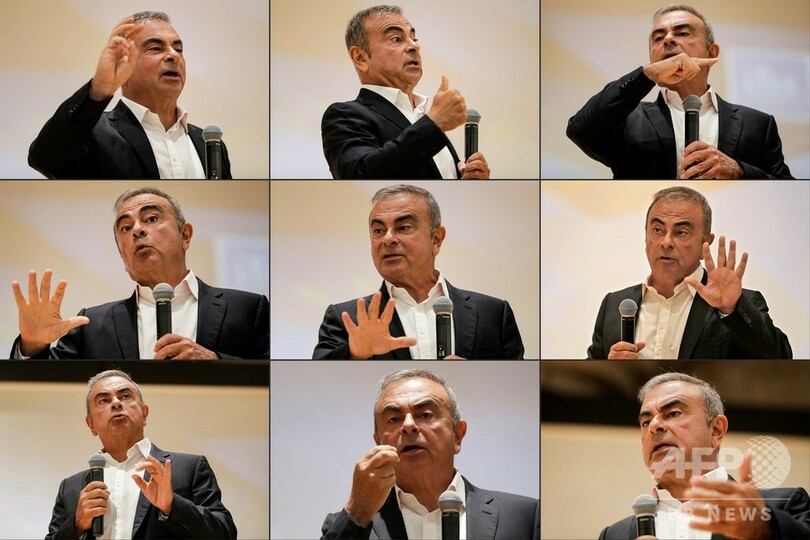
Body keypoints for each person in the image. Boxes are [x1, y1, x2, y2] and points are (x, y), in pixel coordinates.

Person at [10, 186, 268, 359]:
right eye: (125, 227)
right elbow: (47, 385)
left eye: (151, 219)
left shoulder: (247, 308)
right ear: (122, 256)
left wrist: (215, 360)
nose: (137, 230)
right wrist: (32, 345)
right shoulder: (91, 325)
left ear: (185, 235)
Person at [566, 4, 793, 179]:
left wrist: (740, 171)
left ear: (711, 52)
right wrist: (646, 75)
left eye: (682, 33)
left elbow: (789, 189)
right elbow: (579, 130)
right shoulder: (626, 119)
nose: (668, 39)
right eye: (658, 37)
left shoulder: (758, 124)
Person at [320, 369, 539, 539]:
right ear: (379, 443)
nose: (408, 426)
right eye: (394, 419)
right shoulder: (352, 524)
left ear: (457, 435)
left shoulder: (525, 516)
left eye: (425, 414)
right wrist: (357, 512)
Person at [312, 184, 523, 359]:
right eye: (378, 230)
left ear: (436, 239)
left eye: (403, 227)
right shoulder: (345, 319)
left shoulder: (493, 313)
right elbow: (320, 380)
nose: (388, 239)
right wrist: (354, 356)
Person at [599, 372, 810, 539]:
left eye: (673, 414)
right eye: (645, 422)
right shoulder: (614, 535)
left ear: (716, 430)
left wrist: (763, 531)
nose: (654, 426)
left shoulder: (781, 507)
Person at [587, 186, 791, 359]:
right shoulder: (614, 304)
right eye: (657, 230)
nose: (666, 242)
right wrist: (608, 369)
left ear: (705, 243)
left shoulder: (735, 304)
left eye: (681, 232)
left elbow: (781, 360)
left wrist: (731, 309)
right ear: (646, 236)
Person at [29, 11, 232, 179]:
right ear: (125, 62)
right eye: (155, 48)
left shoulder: (209, 143)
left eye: (178, 49)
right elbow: (44, 159)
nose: (173, 55)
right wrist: (99, 88)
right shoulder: (92, 132)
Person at [46, 370, 237, 539]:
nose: (116, 403)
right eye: (104, 400)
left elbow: (225, 533)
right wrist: (77, 525)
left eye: (125, 396)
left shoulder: (189, 468)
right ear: (91, 425)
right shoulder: (70, 487)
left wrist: (172, 506)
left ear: (145, 414)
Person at [321, 5, 490, 179]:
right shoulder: (345, 115)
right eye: (396, 39)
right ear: (360, 57)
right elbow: (359, 175)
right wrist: (434, 123)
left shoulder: (421, 118)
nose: (414, 46)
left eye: (414, 38)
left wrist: (469, 180)